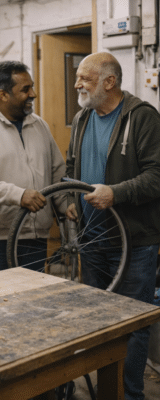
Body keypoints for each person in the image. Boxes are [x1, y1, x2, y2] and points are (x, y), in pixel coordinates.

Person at [66, 52, 160, 400]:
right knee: (98, 321)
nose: (77, 84)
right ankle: (106, 392)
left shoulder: (143, 118)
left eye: (85, 79)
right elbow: (72, 163)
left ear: (109, 82)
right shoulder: (81, 118)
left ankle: (128, 394)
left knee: (133, 324)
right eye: (78, 77)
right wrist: (68, 200)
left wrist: (115, 193)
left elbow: (157, 176)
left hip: (134, 243)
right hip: (91, 239)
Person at [0, 61, 66, 272]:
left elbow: (56, 171)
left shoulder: (39, 125)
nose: (33, 94)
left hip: (36, 234)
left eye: (31, 86)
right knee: (1, 301)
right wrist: (19, 195)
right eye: (25, 89)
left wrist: (65, 204)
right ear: (3, 94)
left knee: (34, 299)